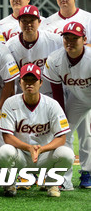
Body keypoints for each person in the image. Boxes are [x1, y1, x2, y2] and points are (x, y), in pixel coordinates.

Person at [0, 64, 74, 198]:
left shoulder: (52, 105)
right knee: (4, 151)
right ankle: (10, 183)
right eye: (25, 80)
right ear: (20, 82)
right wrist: (28, 147)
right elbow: (7, 137)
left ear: (40, 83)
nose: (29, 84)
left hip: (43, 155)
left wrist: (42, 149)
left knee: (67, 154)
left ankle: (51, 183)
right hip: (21, 155)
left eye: (33, 80)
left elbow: (61, 138)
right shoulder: (10, 103)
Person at [43, 22, 91, 189]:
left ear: (84, 39)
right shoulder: (54, 59)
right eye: (66, 37)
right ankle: (64, 180)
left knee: (88, 133)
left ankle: (88, 171)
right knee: (65, 131)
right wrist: (60, 118)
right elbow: (57, 93)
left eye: (75, 38)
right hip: (78, 98)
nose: (70, 41)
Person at [6, 5, 61, 98]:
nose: (28, 24)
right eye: (24, 21)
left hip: (49, 94)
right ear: (19, 23)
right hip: (23, 95)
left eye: (32, 20)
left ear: (39, 22)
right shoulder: (10, 45)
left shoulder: (54, 40)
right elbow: (9, 78)